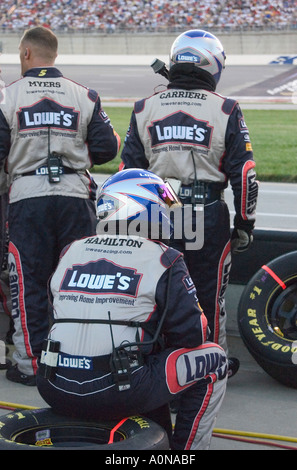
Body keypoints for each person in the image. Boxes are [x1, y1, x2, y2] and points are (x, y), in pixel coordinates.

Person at [36, 168, 228, 451]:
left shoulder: (71, 250)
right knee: (215, 359)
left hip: (53, 385)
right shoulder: (164, 257)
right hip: (120, 388)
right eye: (163, 205)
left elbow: (59, 315)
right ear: (141, 208)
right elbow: (194, 334)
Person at [120, 30, 259, 378]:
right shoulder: (225, 108)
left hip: (157, 213)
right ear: (212, 64)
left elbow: (127, 175)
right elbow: (245, 174)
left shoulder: (144, 107)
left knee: (154, 291)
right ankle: (208, 369)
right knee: (206, 296)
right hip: (205, 212)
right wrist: (245, 224)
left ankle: (156, 367)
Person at [0, 26, 120, 385]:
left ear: (25, 54)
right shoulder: (84, 95)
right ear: (54, 56)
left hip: (26, 197)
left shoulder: (7, 97)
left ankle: (31, 365)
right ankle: (78, 360)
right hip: (75, 196)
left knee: (29, 281)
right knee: (77, 282)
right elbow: (106, 149)